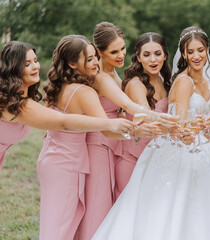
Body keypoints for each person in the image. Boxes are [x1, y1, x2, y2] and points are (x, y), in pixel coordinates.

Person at [92, 26, 210, 240]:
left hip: (204, 151)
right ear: (183, 54)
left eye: (200, 50)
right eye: (191, 51)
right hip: (169, 150)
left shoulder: (203, 82)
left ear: (207, 50)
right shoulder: (182, 82)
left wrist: (208, 130)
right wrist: (192, 130)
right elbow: (177, 123)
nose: (196, 56)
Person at [36, 35, 151, 240]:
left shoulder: (57, 87)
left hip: (50, 157)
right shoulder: (84, 92)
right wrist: (137, 131)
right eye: (89, 59)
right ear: (72, 63)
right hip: (69, 163)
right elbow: (106, 128)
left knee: (57, 223)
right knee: (66, 224)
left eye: (94, 57)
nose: (95, 63)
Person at [78, 23, 169, 239]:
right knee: (98, 208)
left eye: (123, 49)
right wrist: (169, 121)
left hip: (116, 142)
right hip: (99, 142)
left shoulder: (115, 73)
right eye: (114, 51)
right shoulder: (99, 76)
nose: (121, 55)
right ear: (99, 52)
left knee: (111, 206)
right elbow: (130, 108)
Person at [0, 41, 134, 173]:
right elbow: (63, 121)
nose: (35, 66)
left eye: (35, 61)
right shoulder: (15, 105)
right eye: (27, 64)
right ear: (13, 69)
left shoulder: (15, 98)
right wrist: (110, 124)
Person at [119, 32, 171, 193]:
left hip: (158, 160)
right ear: (139, 58)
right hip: (135, 161)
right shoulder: (136, 85)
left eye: (157, 54)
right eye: (147, 55)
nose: (153, 60)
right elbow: (149, 120)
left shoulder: (165, 82)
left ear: (165, 56)